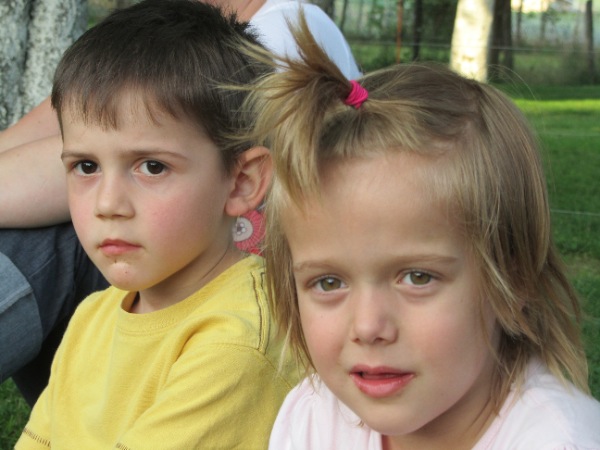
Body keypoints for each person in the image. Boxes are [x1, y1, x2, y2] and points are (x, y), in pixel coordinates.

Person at [242, 18, 600, 449]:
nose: (368, 327)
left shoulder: (559, 440)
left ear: (514, 277)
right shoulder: (313, 420)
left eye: (417, 277)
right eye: (329, 282)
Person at [0, 0, 360, 405]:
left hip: (242, 277)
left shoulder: (280, 33)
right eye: (86, 166)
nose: (108, 203)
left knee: (43, 235)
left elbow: (66, 161)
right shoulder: (94, 314)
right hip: (163, 275)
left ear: (243, 181)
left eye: (152, 167)